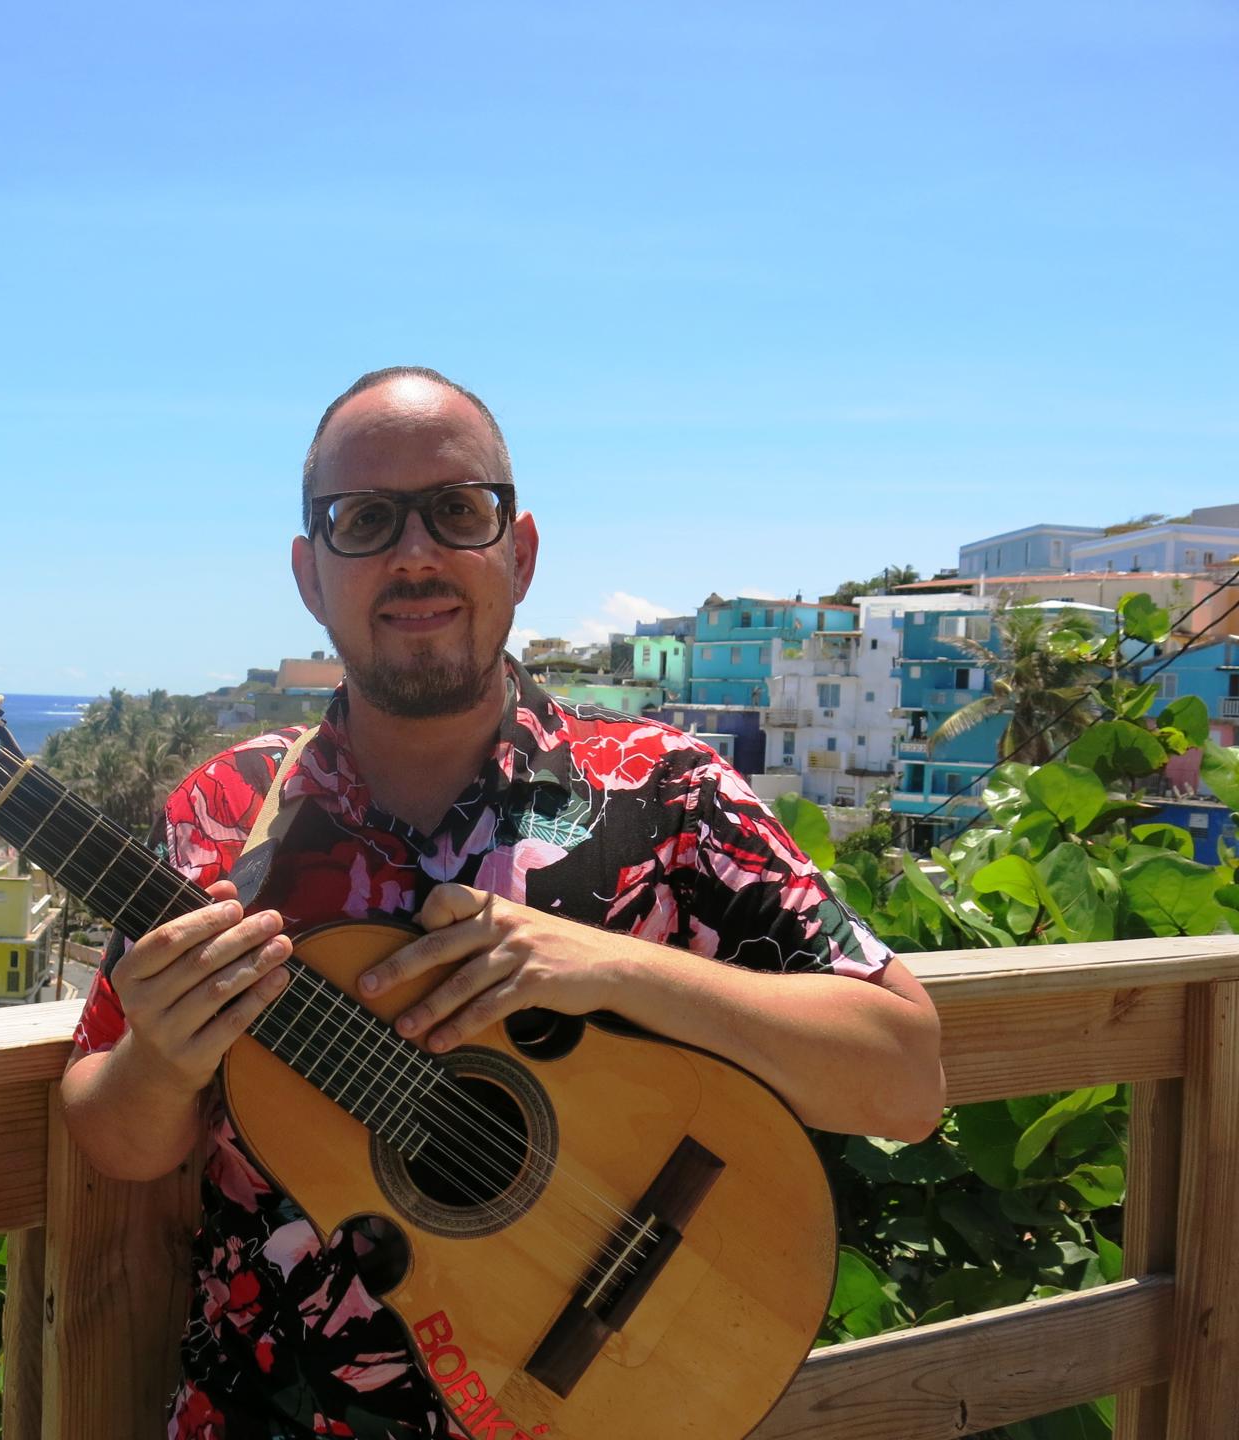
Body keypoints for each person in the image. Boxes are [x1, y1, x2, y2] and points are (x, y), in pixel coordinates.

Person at [60, 366, 946, 1438]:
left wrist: (614, 968)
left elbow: (903, 1079)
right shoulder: (223, 812)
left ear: (518, 555)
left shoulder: (665, 792)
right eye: (365, 520)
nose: (415, 553)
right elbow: (114, 1135)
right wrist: (161, 1055)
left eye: (456, 510)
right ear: (310, 575)